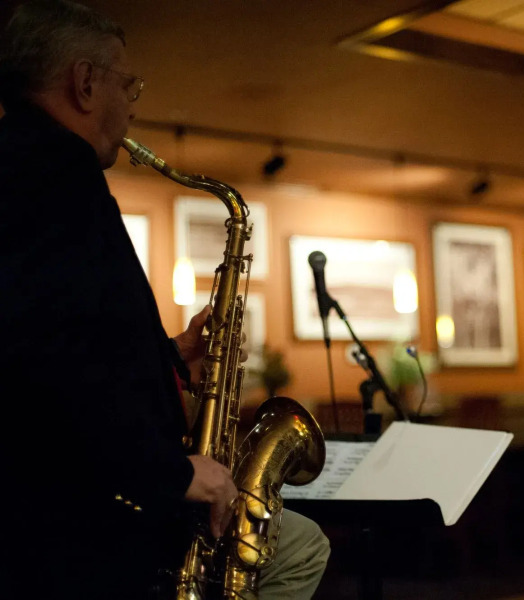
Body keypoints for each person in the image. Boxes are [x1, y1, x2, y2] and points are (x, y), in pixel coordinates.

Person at [0, 2, 327, 598]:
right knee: (300, 547)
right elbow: (41, 366)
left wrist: (173, 356)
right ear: (85, 82)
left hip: (62, 509)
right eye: (128, 85)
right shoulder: (54, 179)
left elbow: (67, 339)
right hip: (77, 529)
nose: (133, 105)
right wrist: (171, 474)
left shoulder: (26, 166)